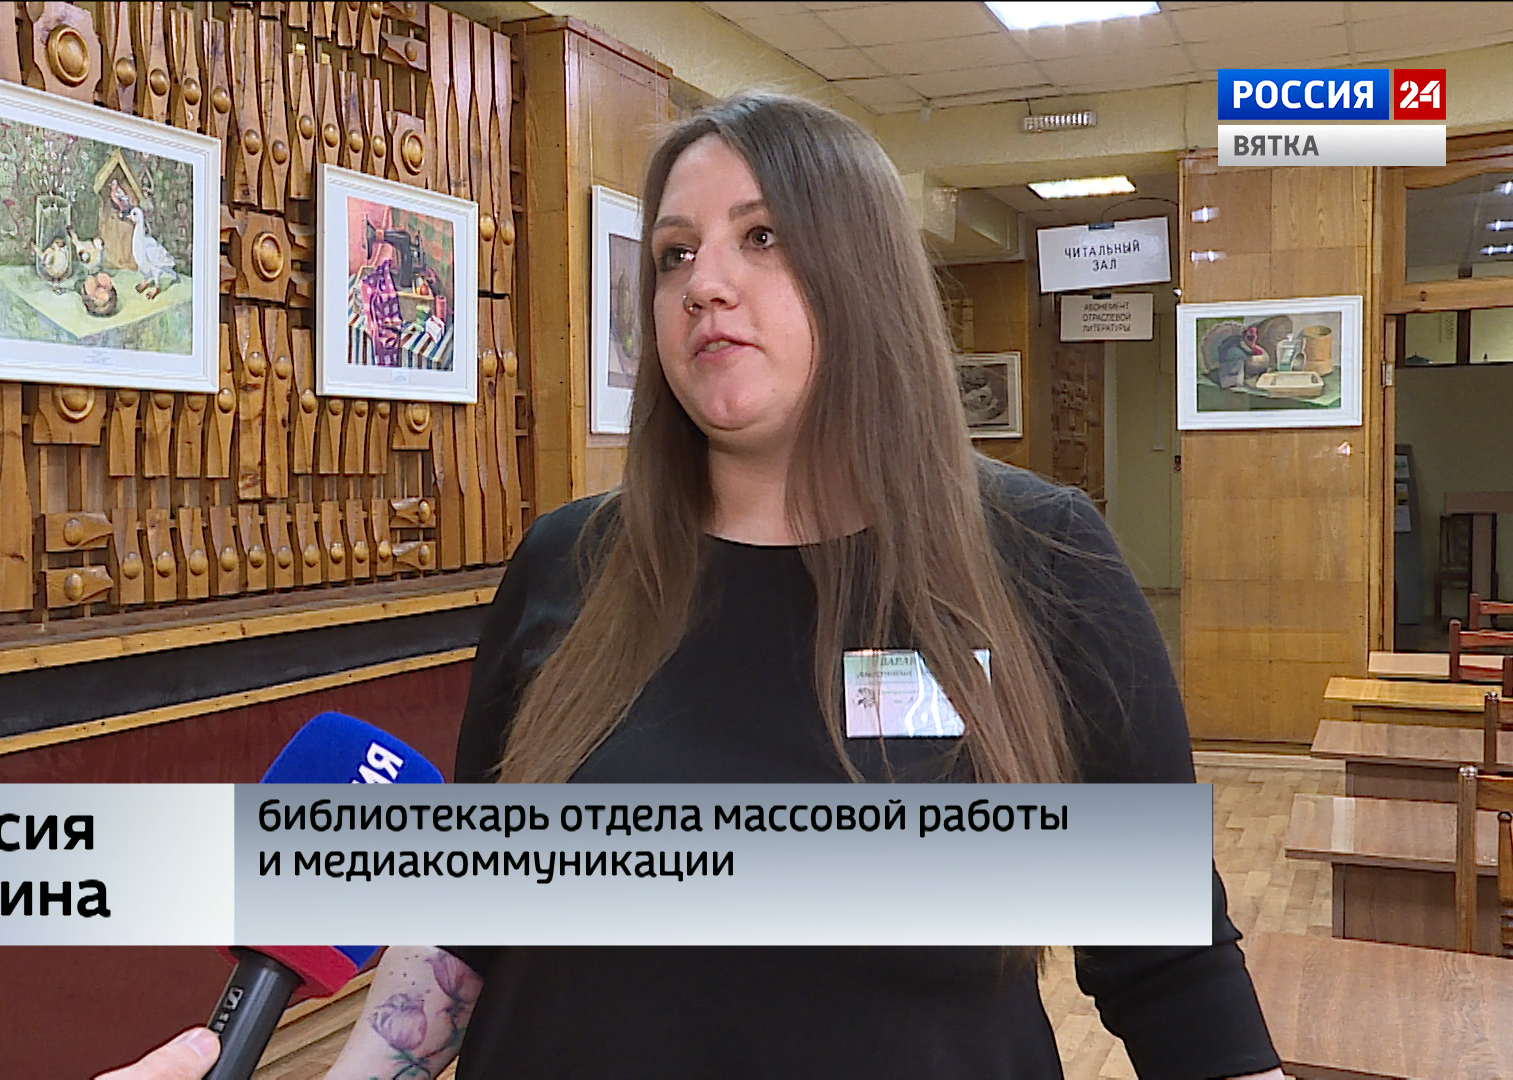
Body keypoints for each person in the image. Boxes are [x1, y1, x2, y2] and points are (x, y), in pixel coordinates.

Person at [115, 91, 1288, 1079]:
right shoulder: (566, 563)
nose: (704, 285)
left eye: (761, 237)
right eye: (675, 253)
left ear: (865, 272)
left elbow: (1172, 968)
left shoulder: (1039, 555)